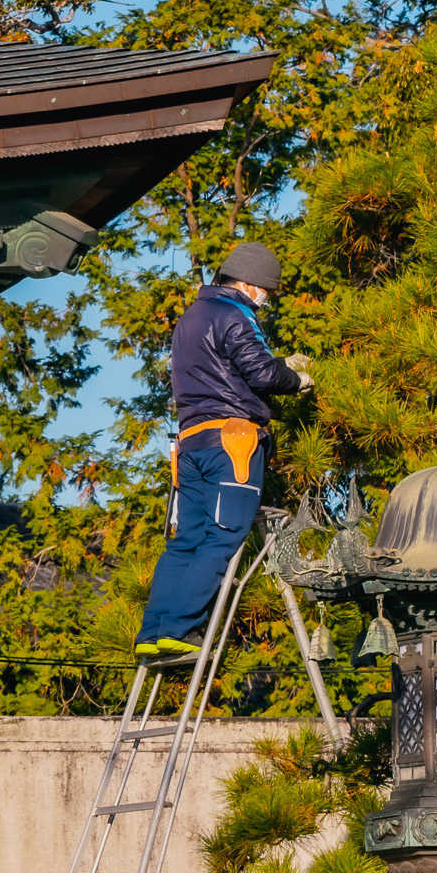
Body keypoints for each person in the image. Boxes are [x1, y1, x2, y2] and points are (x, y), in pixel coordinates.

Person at [135, 240, 313, 658]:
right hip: (232, 443)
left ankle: (153, 633)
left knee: (186, 540)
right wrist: (297, 379)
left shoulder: (192, 319)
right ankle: (182, 630)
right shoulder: (237, 314)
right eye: (267, 290)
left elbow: (225, 370)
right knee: (224, 535)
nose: (267, 298)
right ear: (249, 284)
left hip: (192, 442)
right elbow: (260, 372)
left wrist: (281, 361)